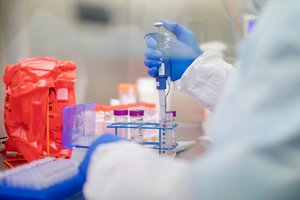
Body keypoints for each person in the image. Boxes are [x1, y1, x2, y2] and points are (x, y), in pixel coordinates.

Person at [79, 0, 300, 199]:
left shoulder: (289, 18)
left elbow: (250, 183)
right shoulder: (282, 14)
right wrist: (196, 69)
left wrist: (112, 168)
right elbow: (272, 102)